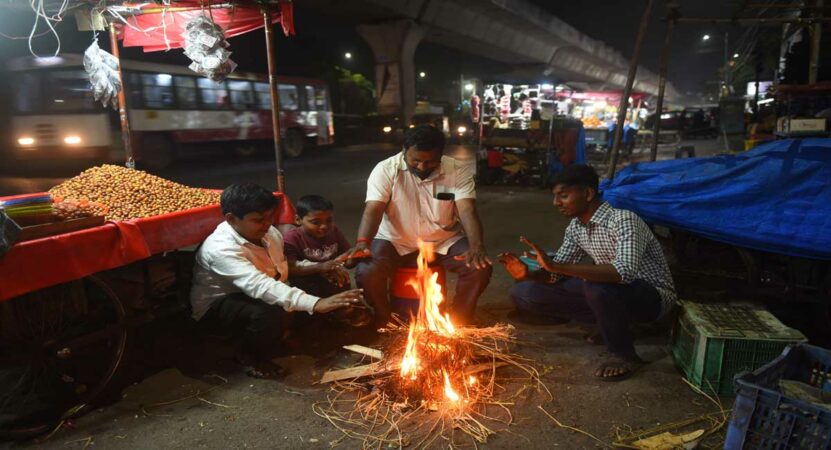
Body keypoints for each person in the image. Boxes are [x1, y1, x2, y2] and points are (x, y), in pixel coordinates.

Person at [498, 164, 676, 381]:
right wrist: (530, 273)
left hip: (651, 298)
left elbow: (624, 273)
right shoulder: (576, 228)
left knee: (596, 284)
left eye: (563, 196)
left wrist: (557, 266)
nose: (556, 203)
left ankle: (624, 355)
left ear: (588, 193)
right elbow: (556, 275)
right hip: (611, 292)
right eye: (555, 196)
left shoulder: (623, 220)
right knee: (525, 291)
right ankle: (612, 323)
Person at [190, 183, 364, 379]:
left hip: (261, 289)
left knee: (312, 285)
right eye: (258, 220)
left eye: (270, 217)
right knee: (269, 311)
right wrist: (316, 303)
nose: (267, 224)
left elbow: (280, 268)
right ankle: (252, 358)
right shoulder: (221, 249)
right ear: (231, 218)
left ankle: (289, 336)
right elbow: (260, 285)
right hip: (220, 305)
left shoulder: (269, 233)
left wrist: (323, 269)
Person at [345, 125, 493, 328]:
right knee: (367, 271)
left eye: (430, 161)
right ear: (404, 151)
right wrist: (363, 242)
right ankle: (383, 318)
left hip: (443, 240)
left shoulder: (457, 170)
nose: (422, 166)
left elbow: (467, 210)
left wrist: (476, 245)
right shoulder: (386, 169)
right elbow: (373, 209)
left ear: (441, 154)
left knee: (479, 267)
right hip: (395, 240)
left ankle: (460, 320)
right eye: (416, 160)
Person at [283, 195, 353, 298]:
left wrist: (353, 257)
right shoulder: (292, 238)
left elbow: (347, 256)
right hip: (306, 281)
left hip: (331, 277)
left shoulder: (333, 231)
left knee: (343, 281)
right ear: (298, 220)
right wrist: (319, 268)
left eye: (328, 220)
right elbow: (289, 270)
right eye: (315, 222)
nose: (324, 226)